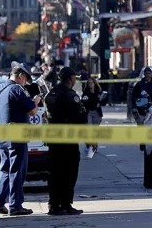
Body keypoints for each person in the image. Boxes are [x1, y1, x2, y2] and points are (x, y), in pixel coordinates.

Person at [0, 64, 41, 216]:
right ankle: (15, 205)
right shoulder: (18, 90)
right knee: (17, 170)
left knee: (4, 169)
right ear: (21, 76)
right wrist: (36, 101)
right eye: (26, 80)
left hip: (1, 135)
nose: (25, 83)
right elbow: (32, 112)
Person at [44, 67, 94, 216]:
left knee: (54, 173)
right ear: (71, 79)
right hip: (67, 140)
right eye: (74, 79)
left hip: (53, 139)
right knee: (69, 172)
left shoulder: (50, 93)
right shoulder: (71, 96)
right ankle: (65, 204)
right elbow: (80, 120)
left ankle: (53, 205)